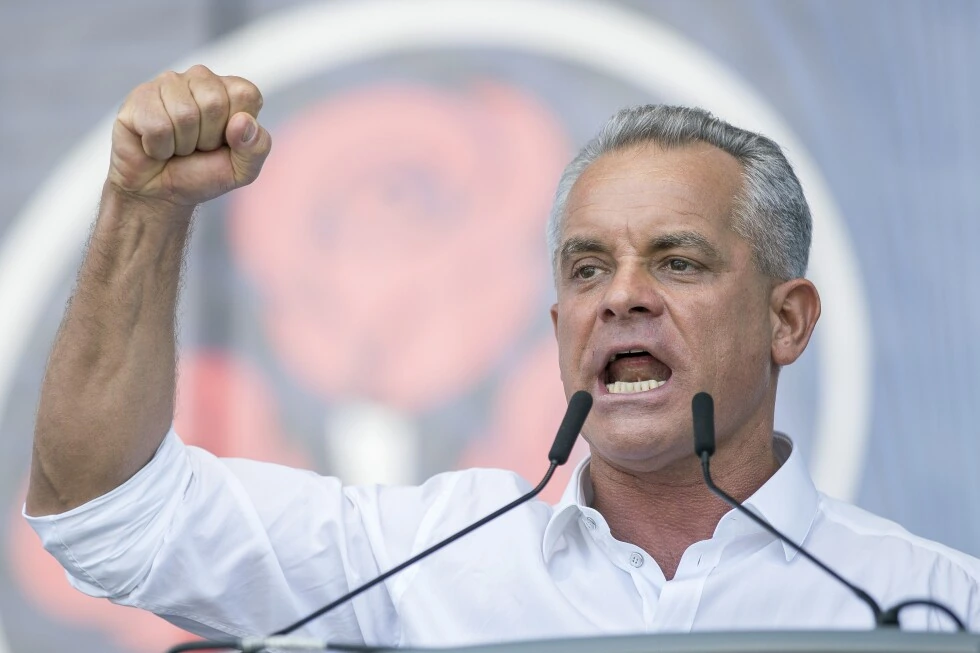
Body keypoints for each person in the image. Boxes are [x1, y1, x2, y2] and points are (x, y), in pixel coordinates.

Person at [23, 66, 980, 646]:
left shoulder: (934, 606)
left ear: (790, 322)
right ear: (559, 322)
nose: (623, 296)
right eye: (588, 266)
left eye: (678, 260)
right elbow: (107, 514)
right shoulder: (421, 565)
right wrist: (143, 208)